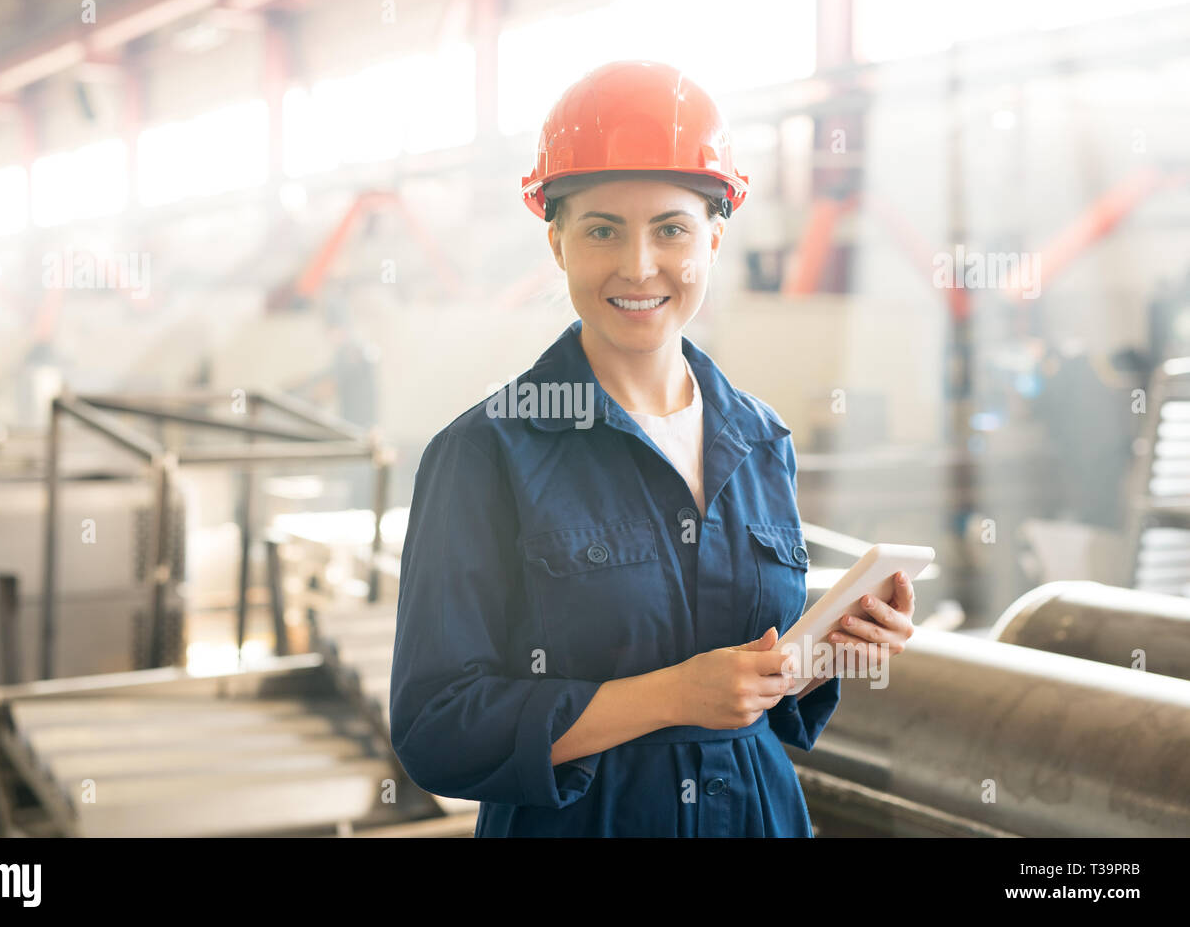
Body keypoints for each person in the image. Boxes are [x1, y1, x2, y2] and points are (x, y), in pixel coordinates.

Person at [390, 61, 917, 836]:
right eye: (602, 229)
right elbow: (438, 728)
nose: (639, 266)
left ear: (714, 236)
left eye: (671, 228)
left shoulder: (762, 440)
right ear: (558, 242)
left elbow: (757, 705)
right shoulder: (486, 453)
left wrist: (825, 652)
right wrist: (669, 697)